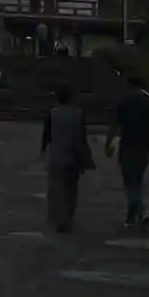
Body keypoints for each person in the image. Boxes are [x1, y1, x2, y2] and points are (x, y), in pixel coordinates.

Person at [105, 72, 149, 231]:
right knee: (136, 179)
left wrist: (108, 144)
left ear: (129, 85)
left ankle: (140, 211)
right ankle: (133, 213)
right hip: (143, 146)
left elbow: (114, 125)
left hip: (127, 144)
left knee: (129, 180)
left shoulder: (124, 101)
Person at [40, 85, 93, 232]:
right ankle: (68, 215)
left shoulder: (52, 113)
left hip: (57, 155)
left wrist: (43, 150)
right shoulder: (78, 114)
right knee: (71, 188)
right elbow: (82, 136)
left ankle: (60, 218)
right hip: (73, 156)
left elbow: (46, 135)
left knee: (57, 189)